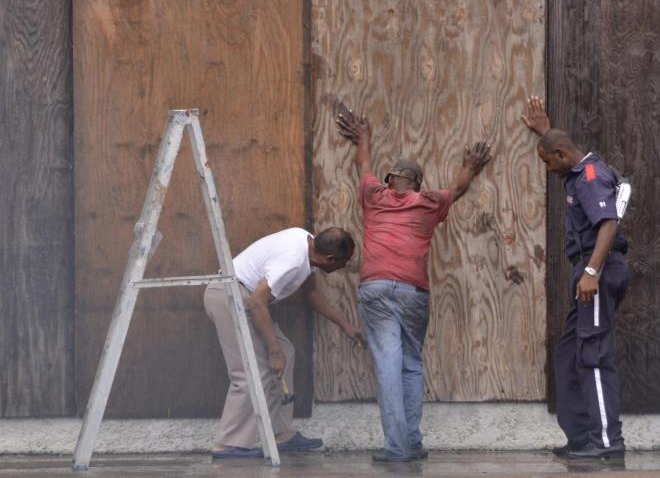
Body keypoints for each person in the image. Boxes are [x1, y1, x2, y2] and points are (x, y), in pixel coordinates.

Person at [336, 109, 492, 462]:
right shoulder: (429, 202)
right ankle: (411, 442)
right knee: (410, 364)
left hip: (376, 288)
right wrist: (470, 165)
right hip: (413, 291)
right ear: (418, 185)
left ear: (391, 181)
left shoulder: (374, 195)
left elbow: (363, 165)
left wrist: (363, 137)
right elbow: (458, 188)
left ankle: (398, 447)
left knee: (388, 364)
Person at [522, 96, 631, 460]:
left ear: (562, 155)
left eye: (548, 161)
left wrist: (591, 271)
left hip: (596, 270)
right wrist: (544, 131)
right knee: (570, 354)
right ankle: (582, 439)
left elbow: (609, 223)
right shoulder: (577, 173)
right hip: (588, 270)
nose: (548, 169)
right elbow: (558, 149)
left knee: (593, 354)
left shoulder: (589, 176)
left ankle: (607, 443)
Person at [204, 226, 366, 459]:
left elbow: (311, 294)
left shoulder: (307, 245)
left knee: (286, 353)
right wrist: (273, 351)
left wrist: (346, 326)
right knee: (251, 371)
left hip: (244, 297)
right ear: (330, 259)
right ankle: (227, 444)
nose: (343, 267)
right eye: (344, 262)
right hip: (228, 296)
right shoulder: (292, 261)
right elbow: (257, 303)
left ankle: (280, 434)